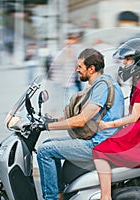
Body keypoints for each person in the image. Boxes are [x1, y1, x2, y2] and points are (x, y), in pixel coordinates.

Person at [37, 48, 124, 200]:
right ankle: (60, 193)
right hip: (101, 139)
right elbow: (77, 114)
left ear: (91, 69)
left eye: (80, 66)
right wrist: (52, 120)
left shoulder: (102, 87)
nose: (76, 69)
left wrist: (47, 127)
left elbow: (81, 120)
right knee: (48, 142)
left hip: (98, 143)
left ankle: (51, 198)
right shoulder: (103, 82)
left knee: (45, 151)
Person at [92, 38, 140, 200]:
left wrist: (107, 125)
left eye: (128, 59)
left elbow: (134, 117)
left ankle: (105, 196)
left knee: (99, 151)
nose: (124, 63)